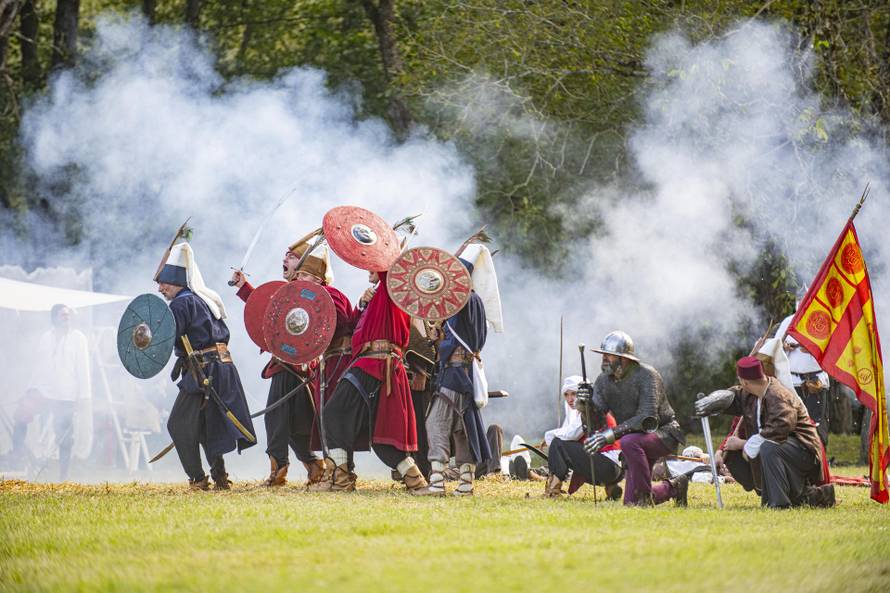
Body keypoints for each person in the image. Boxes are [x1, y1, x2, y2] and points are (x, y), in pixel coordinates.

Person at [231, 235, 355, 487]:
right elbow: (269, 310)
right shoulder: (293, 294)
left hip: (299, 365)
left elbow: (340, 320)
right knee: (297, 422)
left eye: (293, 259)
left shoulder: (329, 294)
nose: (287, 263)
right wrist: (245, 287)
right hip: (290, 363)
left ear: (316, 277)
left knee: (276, 417)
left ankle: (280, 471)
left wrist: (319, 301)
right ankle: (314, 466)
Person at [311, 269, 428, 493]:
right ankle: (416, 482)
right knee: (381, 435)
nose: (368, 272)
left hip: (375, 364)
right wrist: (362, 304)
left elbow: (388, 268)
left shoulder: (391, 288)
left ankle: (341, 478)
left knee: (334, 412)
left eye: (372, 267)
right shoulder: (378, 297)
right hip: (372, 364)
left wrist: (383, 258)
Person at [158, 240, 256, 490]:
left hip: (205, 370)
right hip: (220, 367)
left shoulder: (181, 303)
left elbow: (165, 338)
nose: (161, 288)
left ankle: (198, 479)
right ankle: (220, 477)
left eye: (164, 282)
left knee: (178, 424)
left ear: (179, 280)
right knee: (205, 424)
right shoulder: (203, 298)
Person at [695, 356, 835, 508]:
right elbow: (733, 397)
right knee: (745, 451)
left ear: (744, 381)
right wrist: (713, 401)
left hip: (803, 451)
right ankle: (816, 496)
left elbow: (780, 429)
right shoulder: (750, 393)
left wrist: (745, 444)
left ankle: (778, 503)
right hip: (780, 451)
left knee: (768, 446)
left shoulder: (779, 395)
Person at [580, 331, 688, 506]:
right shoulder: (603, 381)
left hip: (662, 434)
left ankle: (645, 496)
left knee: (629, 442)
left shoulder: (647, 375)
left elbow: (647, 418)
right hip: (634, 441)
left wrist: (609, 436)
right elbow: (596, 424)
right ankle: (675, 487)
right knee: (632, 503)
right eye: (604, 355)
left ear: (624, 359)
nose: (604, 359)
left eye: (609, 355)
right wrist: (584, 407)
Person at [415, 257, 491, 496]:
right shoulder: (470, 300)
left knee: (436, 423)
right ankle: (465, 485)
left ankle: (437, 483)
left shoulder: (464, 300)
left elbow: (453, 343)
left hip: (456, 372)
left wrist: (440, 337)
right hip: (461, 372)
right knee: (461, 428)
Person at [11, 304, 91, 481]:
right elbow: (39, 366)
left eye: (68, 314)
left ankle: (64, 476)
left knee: (64, 436)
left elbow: (83, 369)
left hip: (66, 395)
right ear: (54, 317)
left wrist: (84, 396)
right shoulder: (45, 337)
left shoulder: (78, 338)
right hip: (43, 390)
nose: (67, 317)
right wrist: (28, 390)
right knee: (21, 415)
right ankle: (16, 456)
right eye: (63, 315)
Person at [544, 375, 623, 499]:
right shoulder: (592, 408)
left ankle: (553, 491)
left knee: (557, 443)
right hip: (617, 469)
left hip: (607, 466)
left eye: (574, 394)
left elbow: (570, 435)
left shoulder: (590, 409)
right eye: (566, 395)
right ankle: (611, 488)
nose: (570, 399)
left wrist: (550, 436)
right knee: (561, 442)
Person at [776, 313, 831, 447]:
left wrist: (814, 348)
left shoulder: (824, 320)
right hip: (792, 382)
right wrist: (783, 346)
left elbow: (834, 349)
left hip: (817, 381)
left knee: (817, 425)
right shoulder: (789, 321)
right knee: (793, 423)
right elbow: (774, 345)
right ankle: (796, 460)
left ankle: (818, 461)